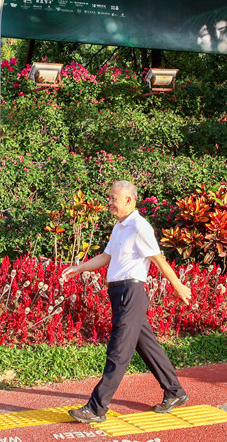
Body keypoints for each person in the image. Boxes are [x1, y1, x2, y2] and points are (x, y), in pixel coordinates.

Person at [60, 180, 192, 423]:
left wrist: (177, 285)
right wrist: (80, 267)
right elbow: (106, 256)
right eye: (110, 197)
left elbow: (159, 260)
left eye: (113, 198)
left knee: (118, 350)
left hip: (131, 293)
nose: (109, 202)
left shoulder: (140, 227)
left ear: (128, 200)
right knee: (147, 346)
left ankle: (96, 408)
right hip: (119, 294)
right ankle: (175, 391)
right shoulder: (120, 227)